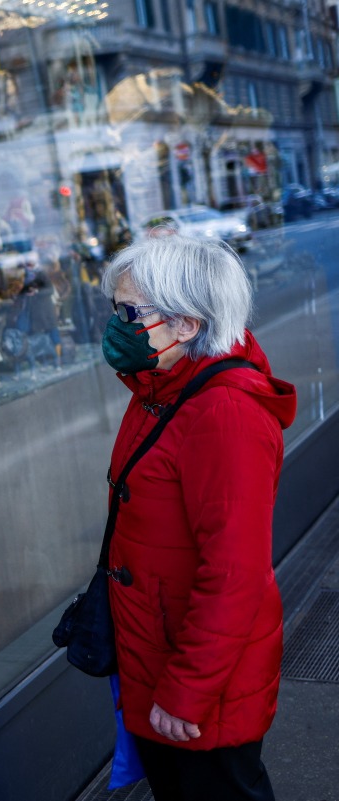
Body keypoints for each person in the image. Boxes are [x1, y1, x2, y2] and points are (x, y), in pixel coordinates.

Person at [99, 234, 296, 800]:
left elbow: (236, 575)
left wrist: (186, 690)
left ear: (186, 324)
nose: (117, 324)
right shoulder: (160, 388)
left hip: (200, 679)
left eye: (130, 312)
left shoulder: (223, 412)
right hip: (160, 652)